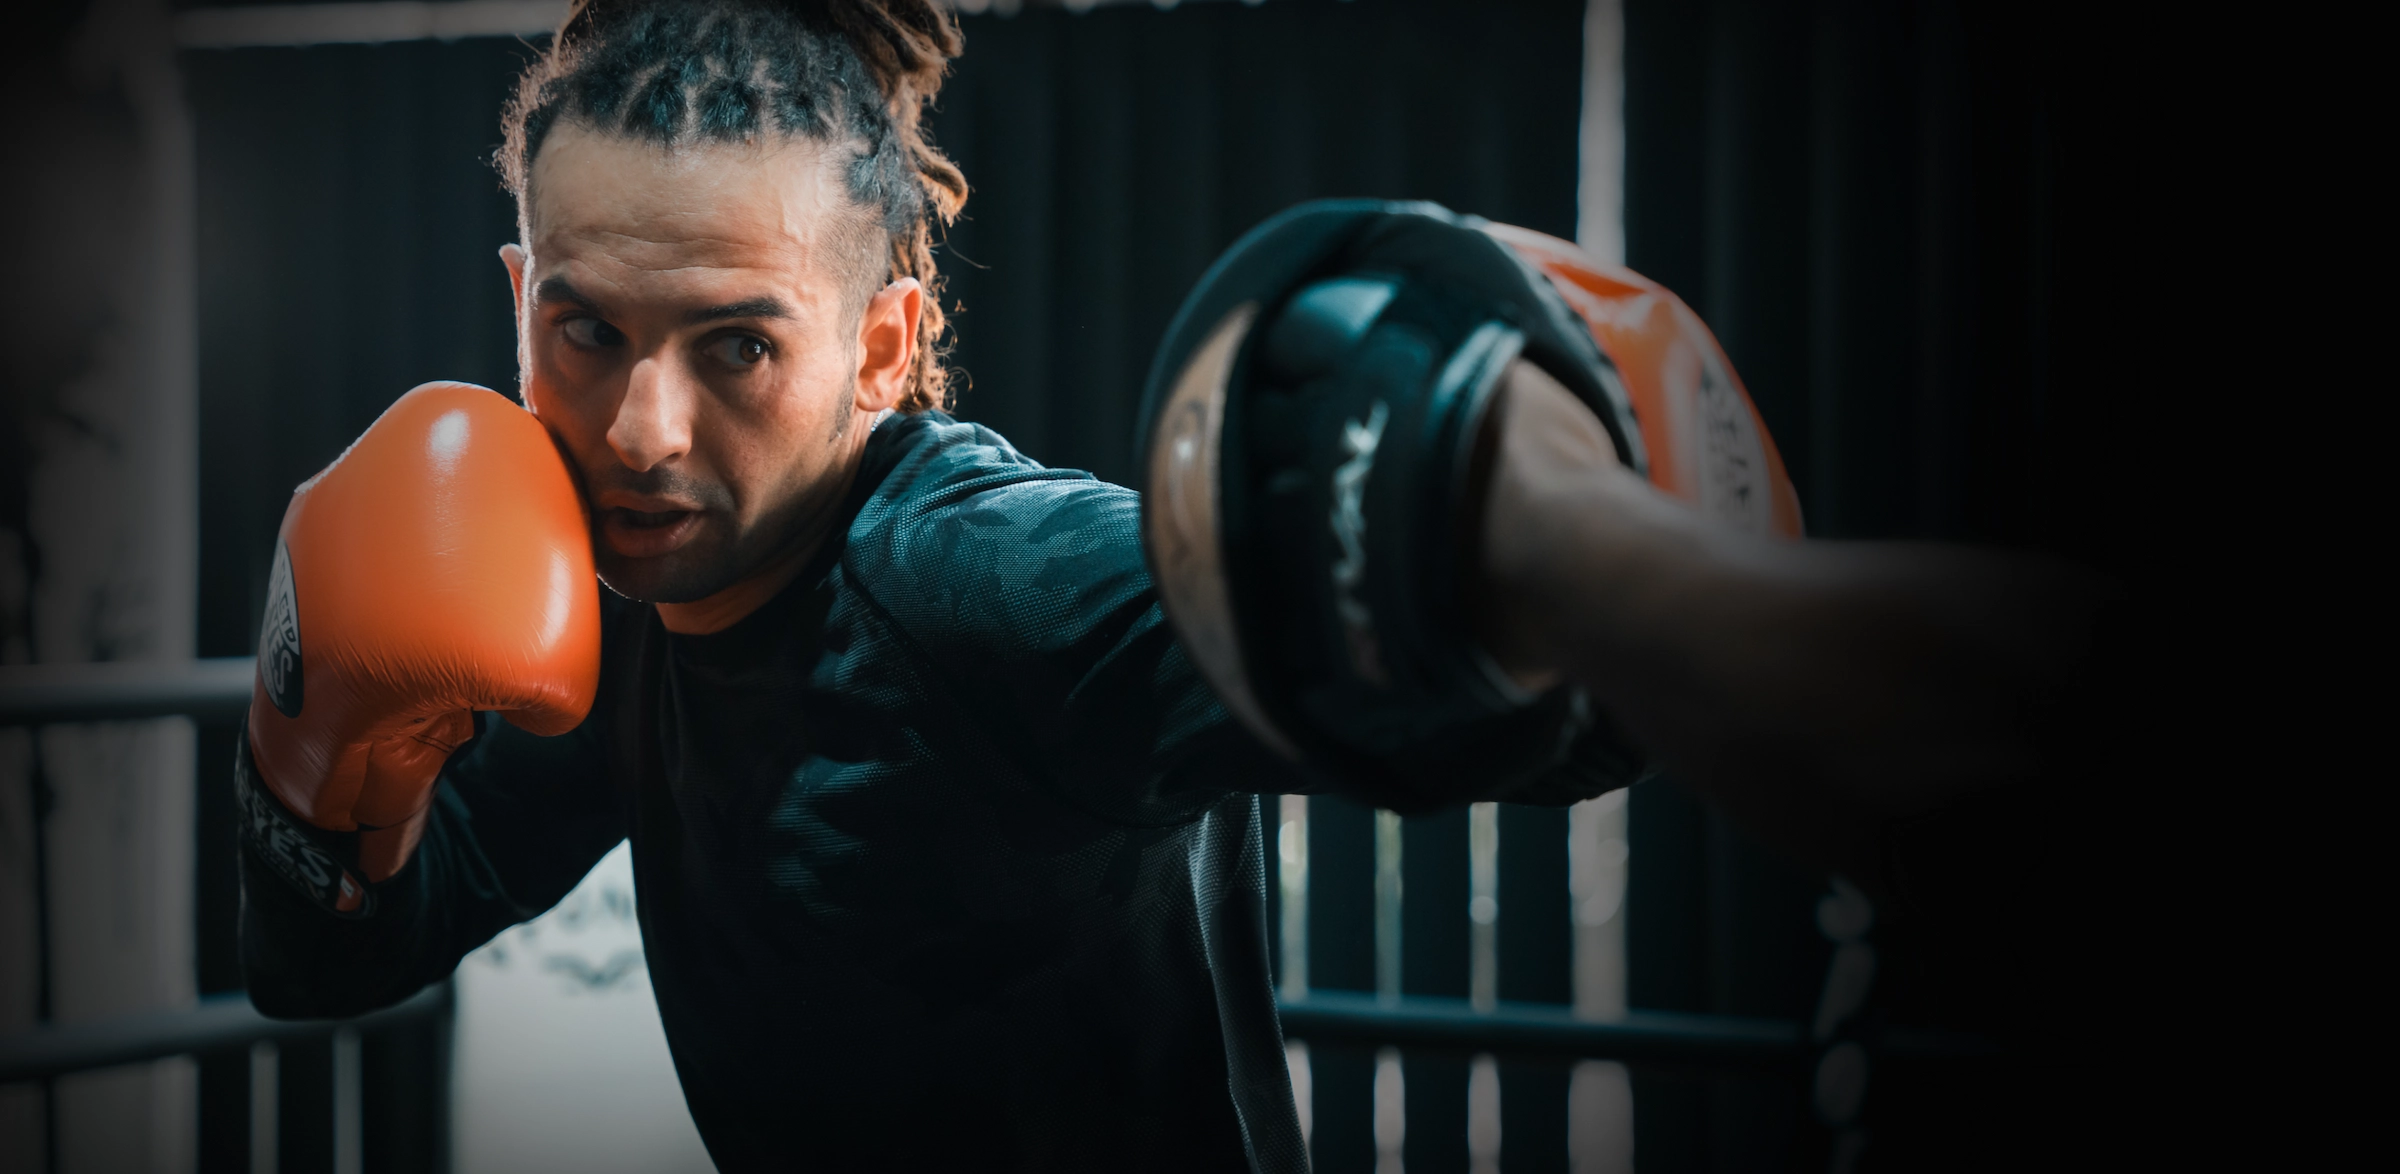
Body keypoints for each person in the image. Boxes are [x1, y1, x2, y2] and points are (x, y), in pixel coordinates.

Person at [234, 1, 2107, 1170]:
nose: (641, 427)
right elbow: (331, 958)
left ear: (885, 349)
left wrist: (1558, 528)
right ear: (518, 306)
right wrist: (334, 759)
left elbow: (1583, 709)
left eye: (737, 350)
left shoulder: (986, 578)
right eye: (587, 333)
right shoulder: (625, 599)